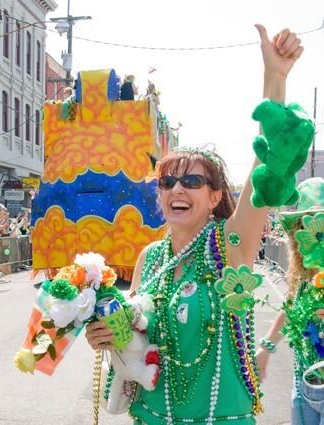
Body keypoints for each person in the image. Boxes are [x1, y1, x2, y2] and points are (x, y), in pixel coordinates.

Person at [86, 24, 304, 424]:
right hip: (150, 416)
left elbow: (264, 165)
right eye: (167, 182)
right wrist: (103, 334)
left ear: (215, 196)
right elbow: (133, 334)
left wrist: (275, 76)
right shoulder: (150, 258)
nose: (176, 189)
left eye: (191, 181)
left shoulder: (229, 246)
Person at [256, 177, 324, 425]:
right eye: (303, 224)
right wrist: (266, 347)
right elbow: (289, 307)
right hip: (303, 385)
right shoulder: (302, 272)